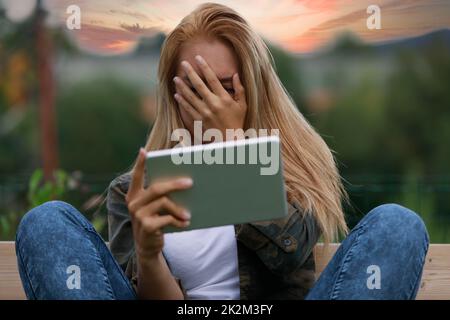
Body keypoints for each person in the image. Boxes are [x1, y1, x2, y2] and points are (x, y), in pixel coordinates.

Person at [15, 3, 429, 300]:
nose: (209, 103)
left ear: (254, 88)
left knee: (397, 224)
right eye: (195, 88)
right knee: (47, 221)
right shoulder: (137, 191)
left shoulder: (293, 168)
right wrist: (148, 254)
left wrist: (235, 146)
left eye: (225, 87)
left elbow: (291, 257)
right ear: (173, 94)